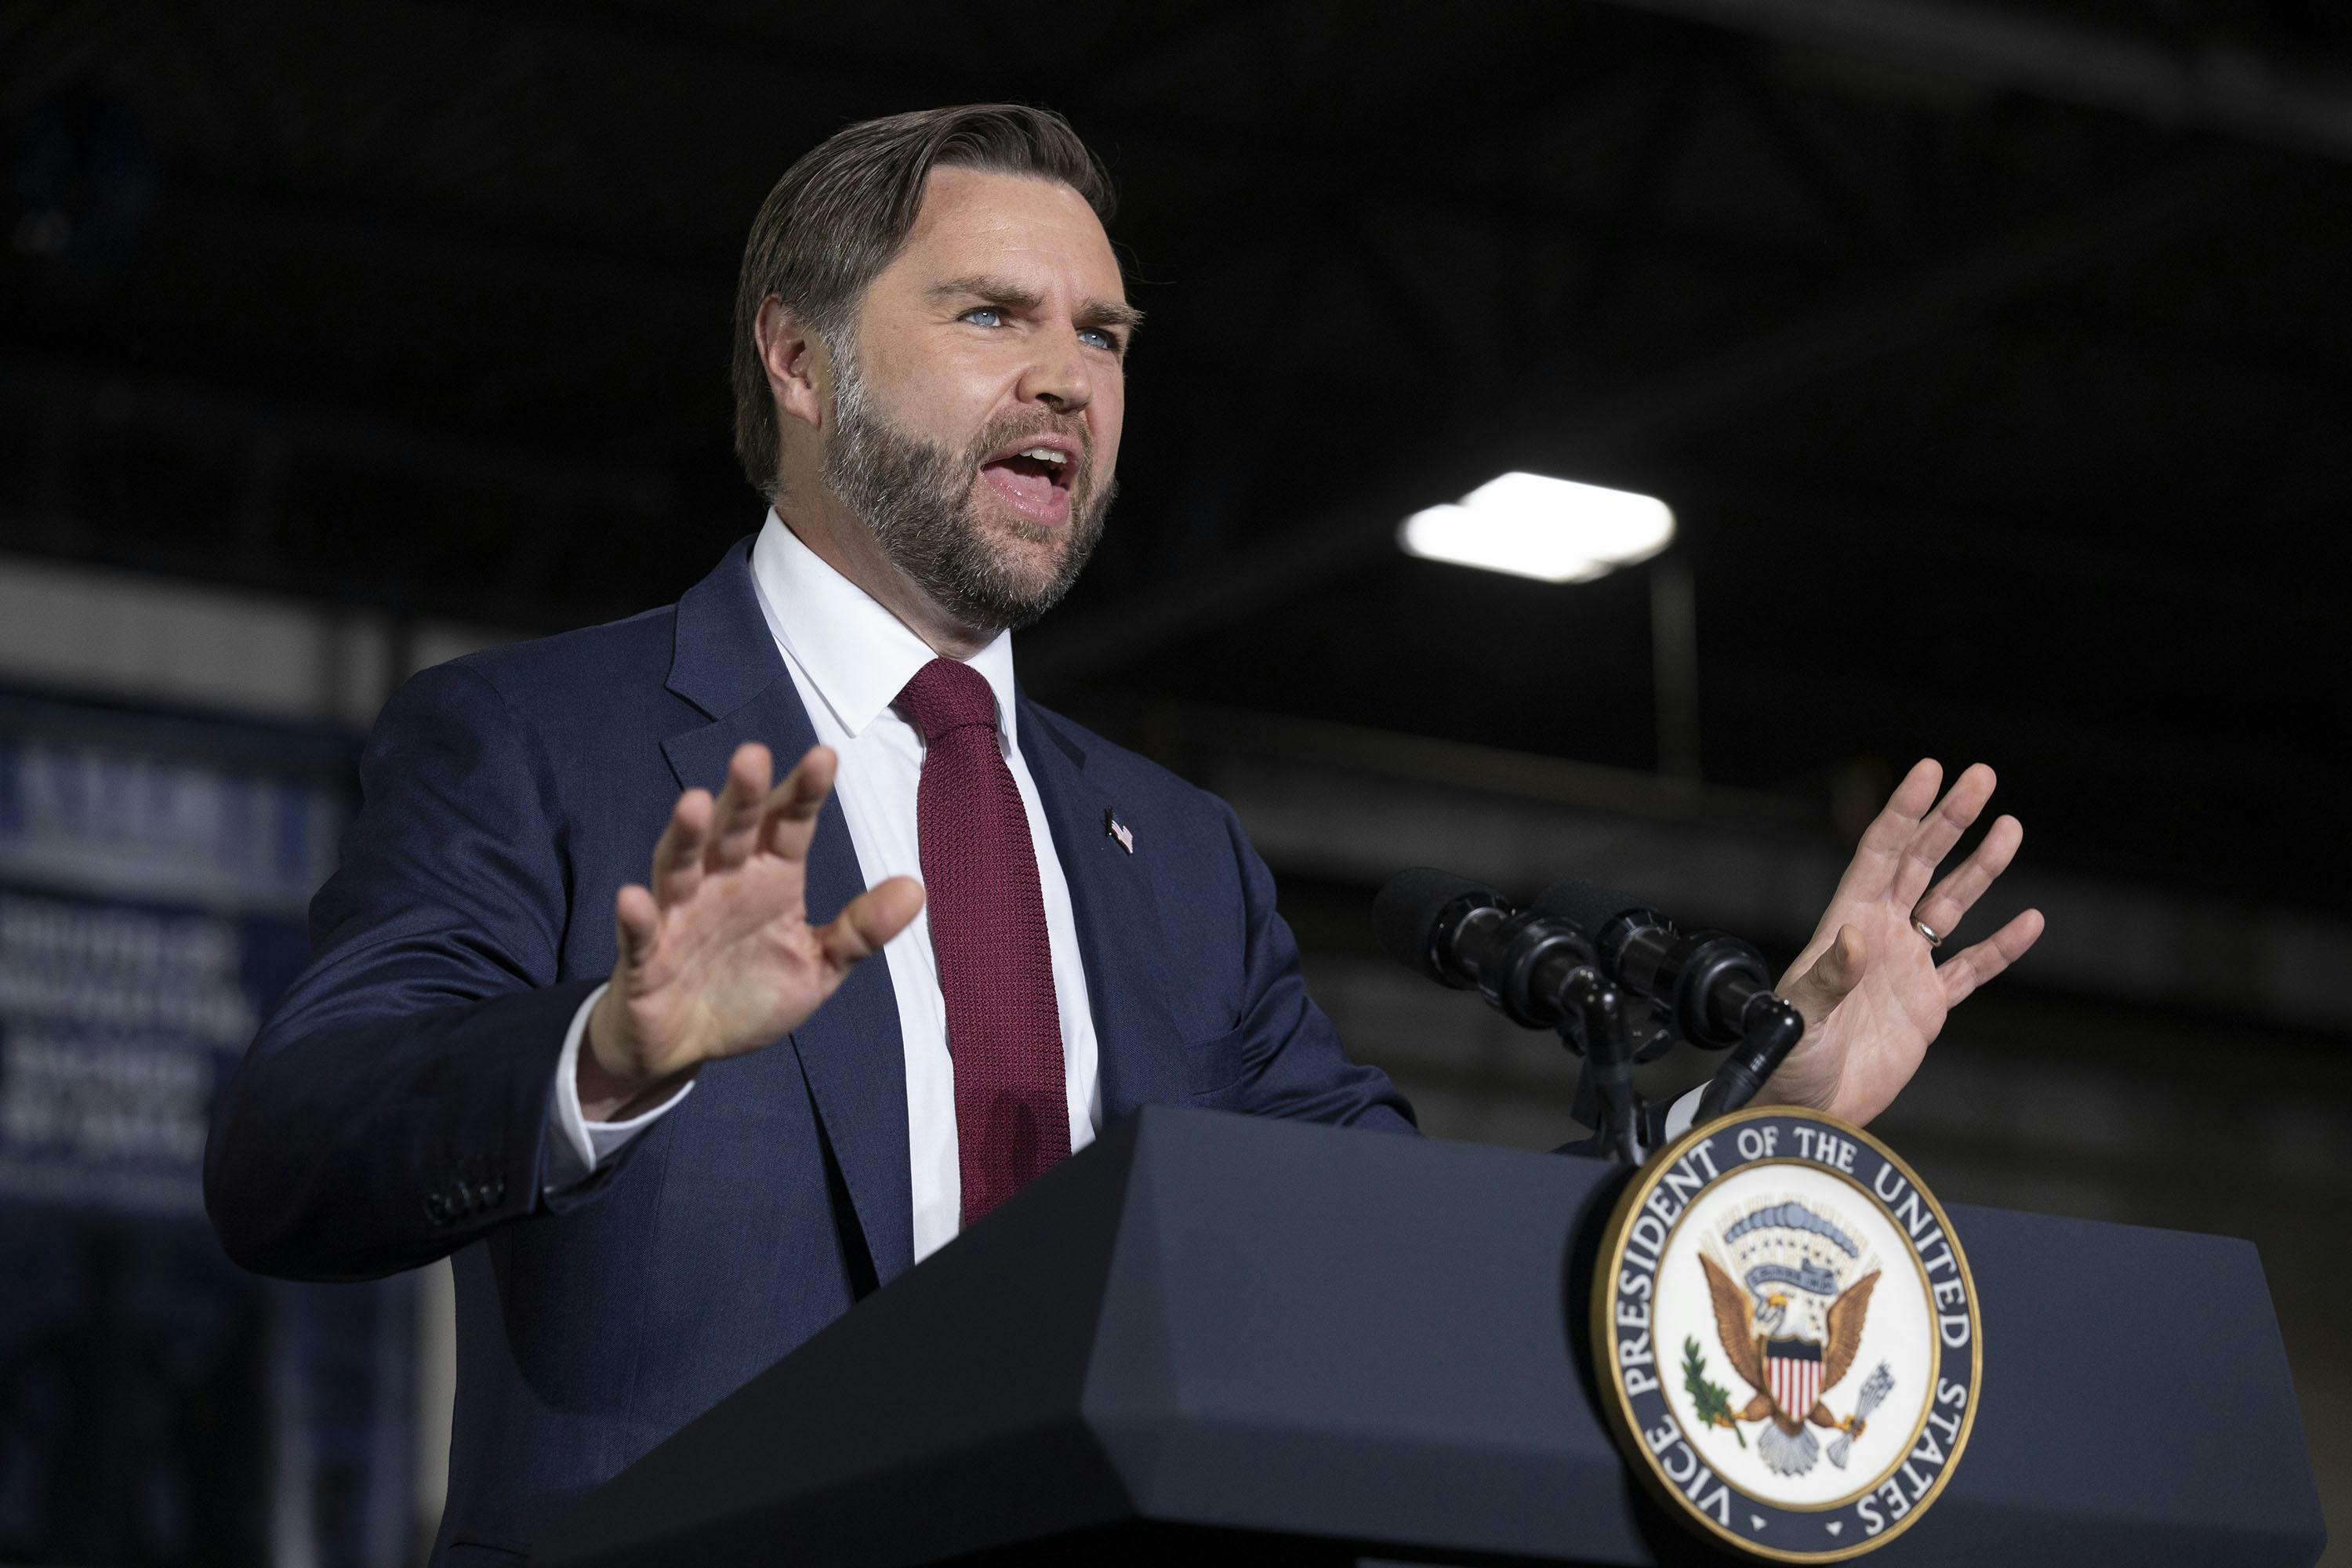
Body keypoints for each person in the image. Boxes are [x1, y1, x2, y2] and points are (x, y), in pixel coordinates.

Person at [202, 104, 2042, 1563]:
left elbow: (1396, 1260)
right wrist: (612, 1051)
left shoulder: (1179, 856)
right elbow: (292, 1149)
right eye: (991, 315)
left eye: (1103, 333)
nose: (1069, 378)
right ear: (799, 357)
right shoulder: (544, 739)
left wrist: (1759, 1111)